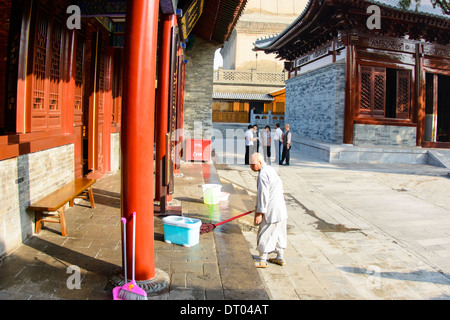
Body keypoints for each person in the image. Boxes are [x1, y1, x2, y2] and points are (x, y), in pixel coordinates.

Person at [249, 153, 288, 268]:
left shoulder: (263, 175)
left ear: (260, 162)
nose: (251, 167)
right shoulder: (270, 169)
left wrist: (259, 213)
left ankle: (262, 259)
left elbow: (263, 195)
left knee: (265, 232)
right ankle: (280, 257)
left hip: (271, 210)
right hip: (281, 208)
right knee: (279, 233)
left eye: (253, 164)